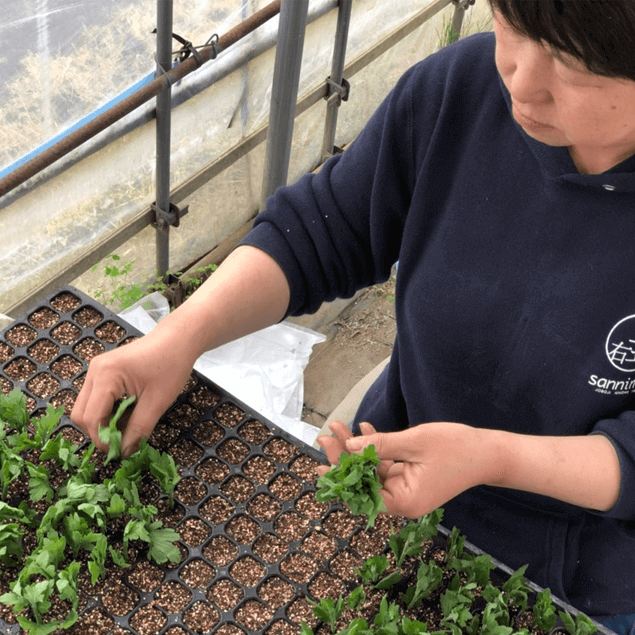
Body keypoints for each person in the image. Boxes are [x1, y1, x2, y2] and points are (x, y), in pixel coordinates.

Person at [71, 0, 635, 631]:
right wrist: (178, 338)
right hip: (386, 483)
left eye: (573, 65)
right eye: (513, 23)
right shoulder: (461, 89)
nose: (522, 82)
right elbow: (326, 230)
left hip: (573, 570)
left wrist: (490, 458)